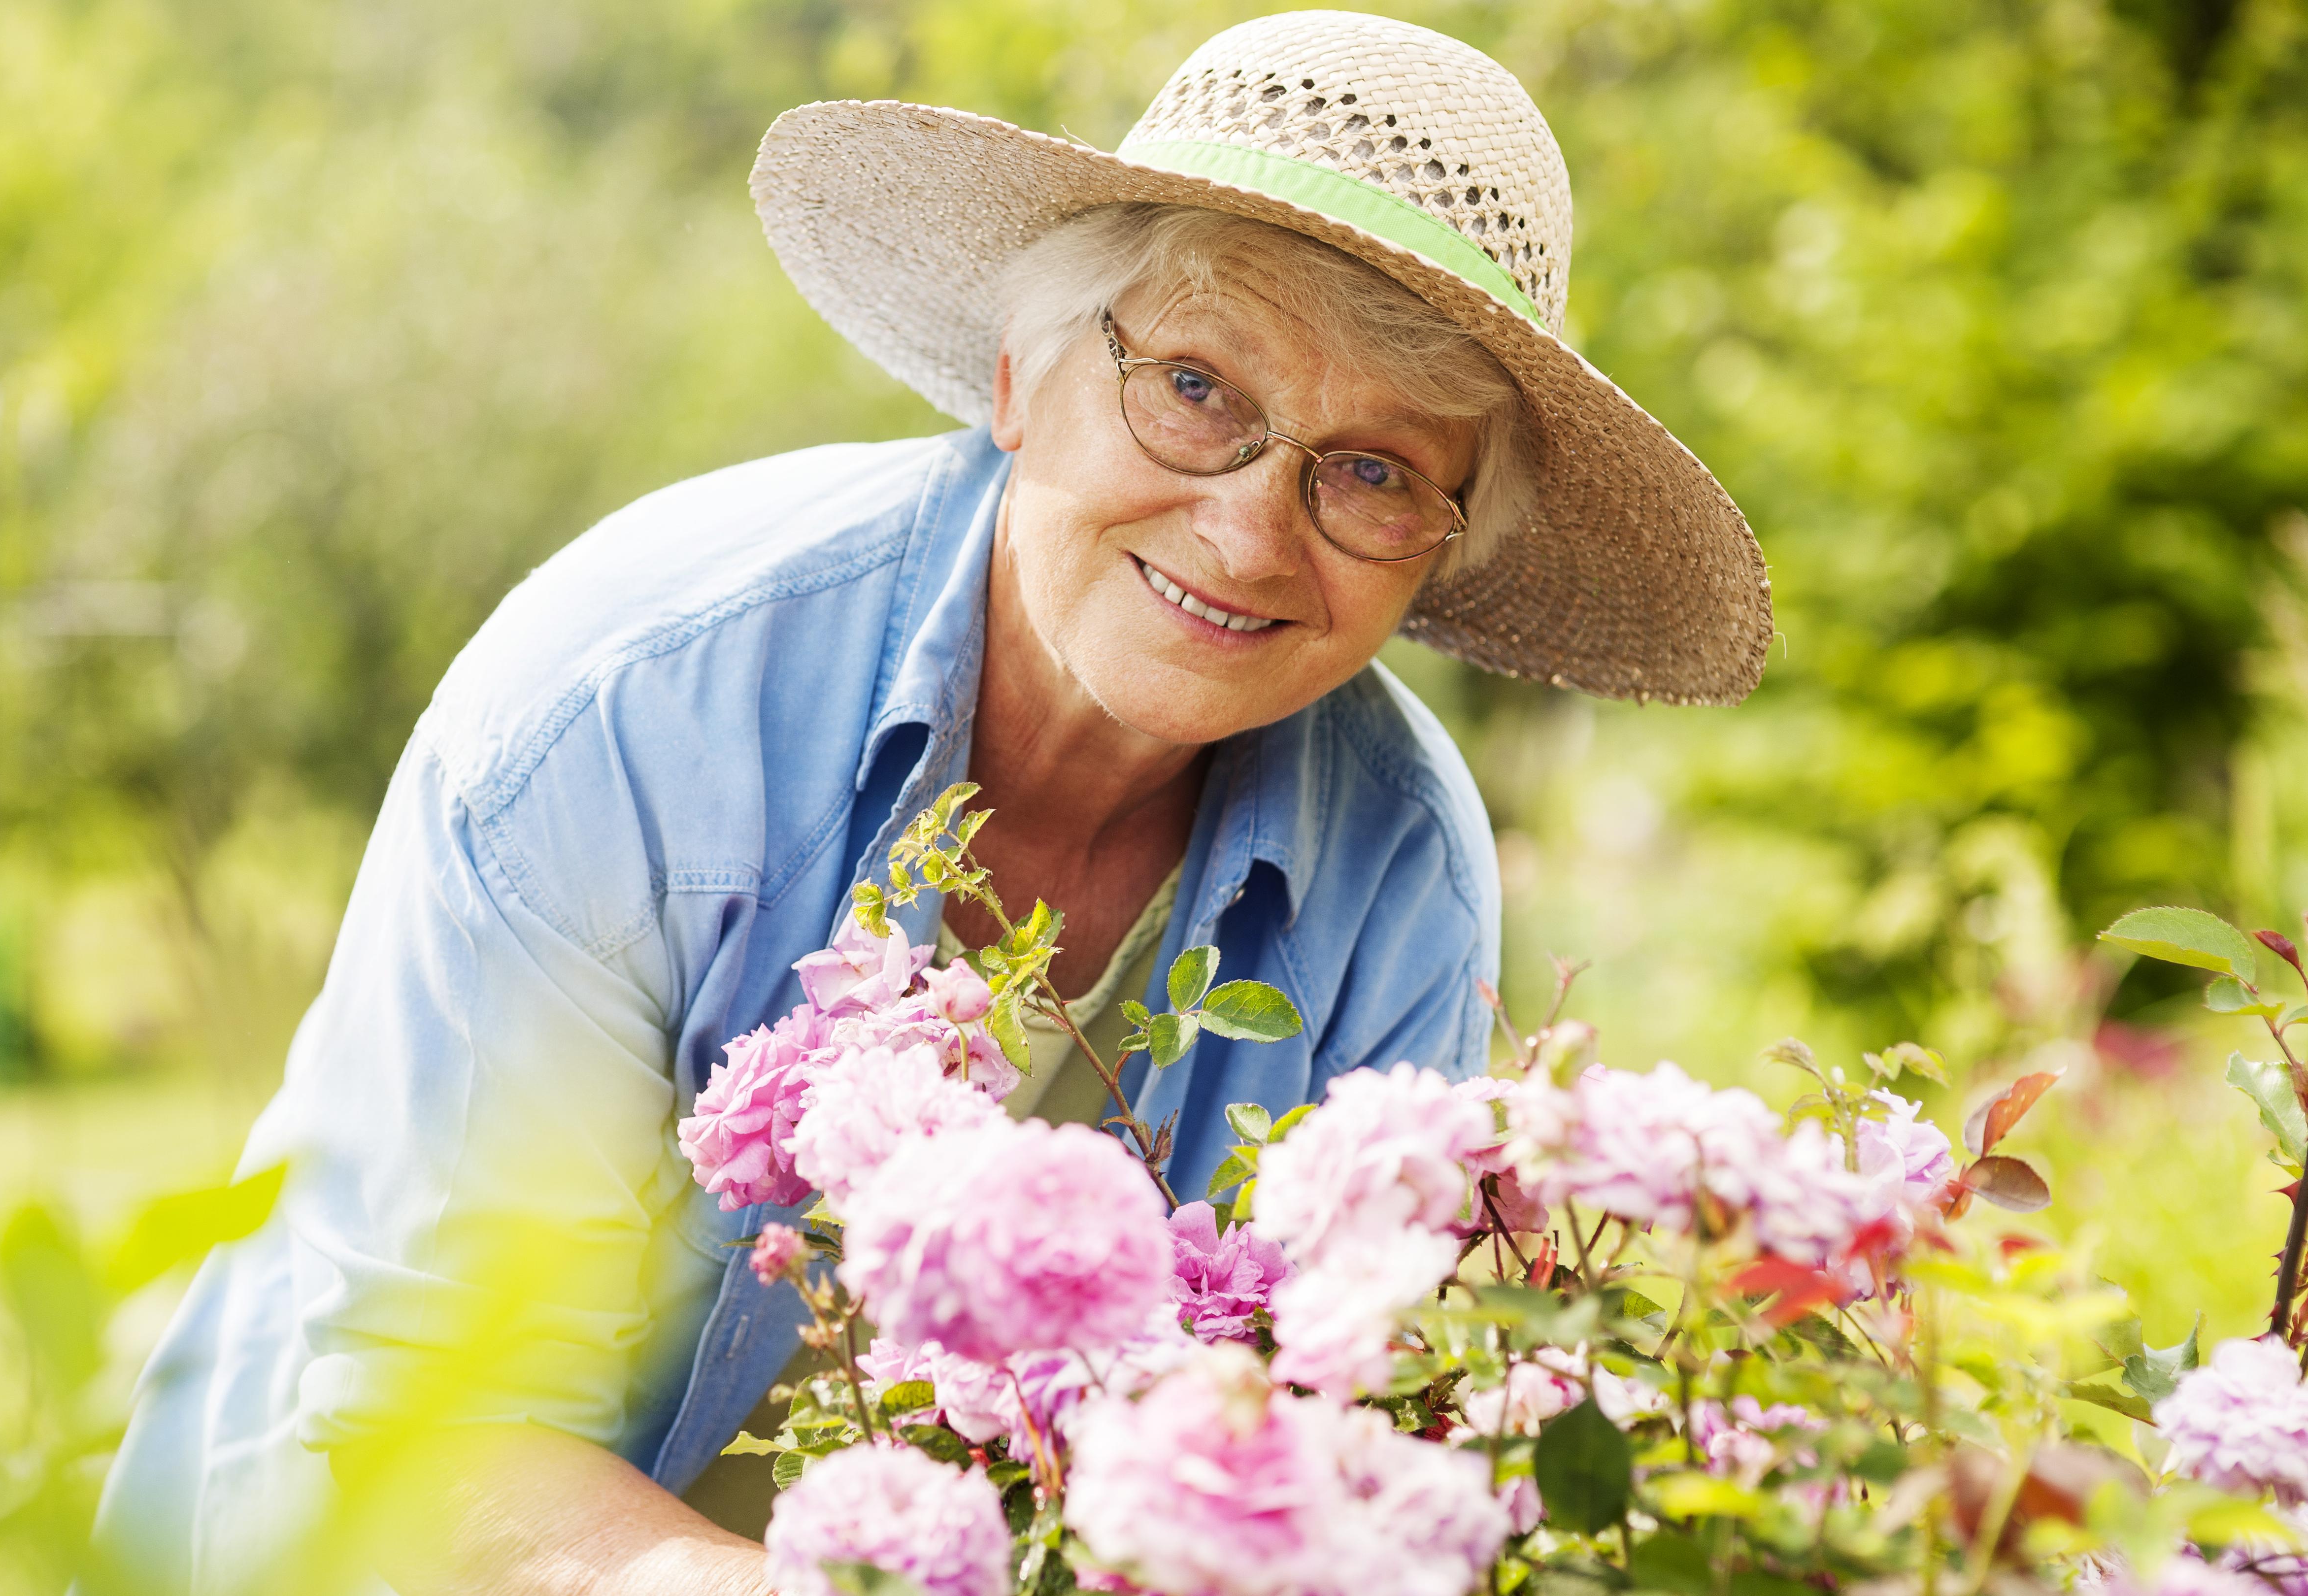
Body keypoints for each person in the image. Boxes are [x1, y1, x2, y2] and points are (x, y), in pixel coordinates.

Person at [92, 10, 1771, 1595]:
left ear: (1442, 550)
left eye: (1378, 473)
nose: (1255, 534)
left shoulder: (1401, 867)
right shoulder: (635, 710)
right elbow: (433, 1429)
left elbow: (1316, 1428)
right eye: (1197, 388)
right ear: (1023, 378)